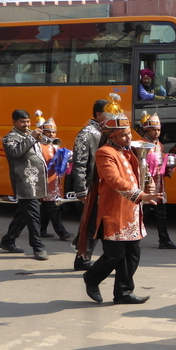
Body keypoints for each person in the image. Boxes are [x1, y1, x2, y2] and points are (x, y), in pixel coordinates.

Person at [82, 94, 162, 304]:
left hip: (132, 211)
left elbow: (138, 174)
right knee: (114, 255)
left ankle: (123, 293)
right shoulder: (104, 153)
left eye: (128, 134)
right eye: (124, 135)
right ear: (112, 136)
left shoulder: (129, 153)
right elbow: (114, 180)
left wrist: (148, 184)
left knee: (132, 255)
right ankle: (91, 277)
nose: (129, 138)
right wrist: (141, 195)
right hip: (115, 212)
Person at [0, 109, 49, 260]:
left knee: (23, 214)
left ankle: (8, 240)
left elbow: (44, 144)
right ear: (14, 122)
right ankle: (38, 247)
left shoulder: (29, 135)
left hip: (35, 181)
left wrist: (42, 136)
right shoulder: (10, 138)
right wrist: (32, 137)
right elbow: (15, 153)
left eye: (28, 121)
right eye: (22, 122)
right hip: (24, 182)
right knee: (34, 215)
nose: (26, 124)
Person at [71, 99, 107, 271]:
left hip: (104, 187)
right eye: (108, 112)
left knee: (101, 224)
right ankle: (82, 258)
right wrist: (81, 190)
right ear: (98, 114)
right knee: (91, 224)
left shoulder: (106, 132)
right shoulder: (86, 133)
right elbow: (79, 164)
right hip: (91, 188)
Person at [138, 111, 176, 249]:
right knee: (141, 215)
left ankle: (164, 240)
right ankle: (132, 240)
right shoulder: (141, 145)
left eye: (158, 130)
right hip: (145, 187)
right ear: (146, 130)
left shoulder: (160, 145)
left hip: (159, 185)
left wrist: (167, 169)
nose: (157, 132)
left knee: (161, 214)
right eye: (154, 130)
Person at [38, 116, 74, 241]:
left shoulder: (55, 146)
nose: (52, 134)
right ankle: (61, 232)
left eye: (53, 132)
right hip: (46, 181)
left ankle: (41, 230)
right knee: (53, 207)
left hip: (55, 180)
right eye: (49, 132)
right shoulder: (39, 146)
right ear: (43, 132)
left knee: (46, 207)